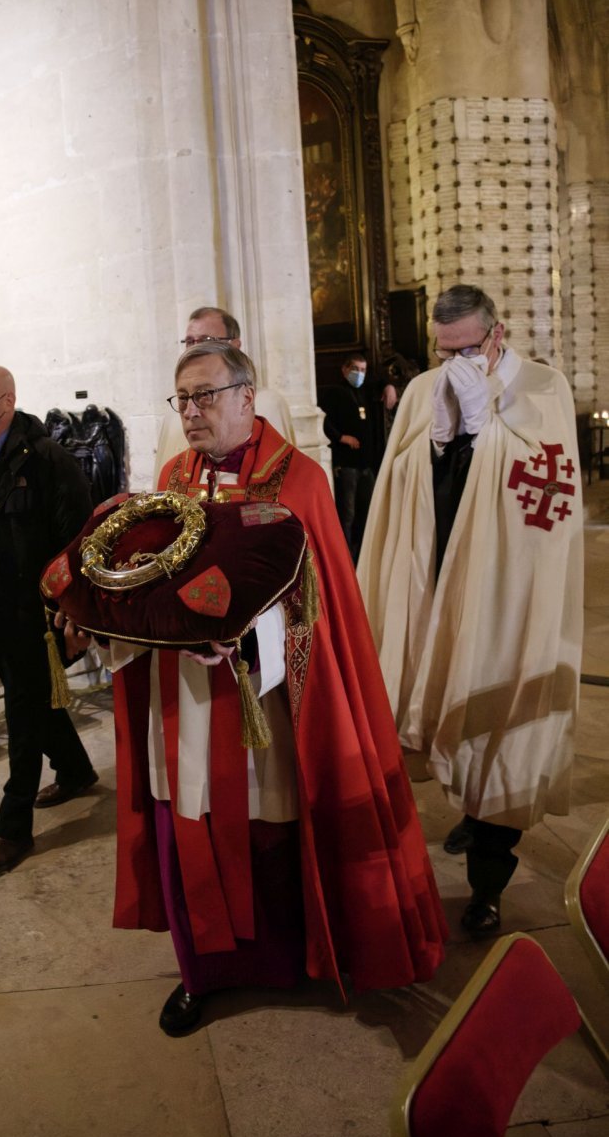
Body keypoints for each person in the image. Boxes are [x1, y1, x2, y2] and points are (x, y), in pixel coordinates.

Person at [64, 342, 446, 1035]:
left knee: (271, 822)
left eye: (206, 396)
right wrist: (107, 615)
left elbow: (318, 604)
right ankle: (201, 972)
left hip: (265, 701)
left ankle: (292, 958)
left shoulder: (298, 481)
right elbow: (148, 578)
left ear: (247, 397)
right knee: (188, 818)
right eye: (182, 399)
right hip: (182, 695)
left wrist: (249, 642)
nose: (191, 412)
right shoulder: (172, 476)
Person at [358, 285, 583, 936]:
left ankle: (488, 886)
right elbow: (395, 493)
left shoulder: (545, 387)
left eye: (470, 347)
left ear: (498, 332)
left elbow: (554, 495)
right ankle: (468, 800)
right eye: (444, 349)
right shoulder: (428, 390)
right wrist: (437, 446)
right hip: (434, 589)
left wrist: (488, 435)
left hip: (506, 593)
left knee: (501, 729)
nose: (458, 361)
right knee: (446, 717)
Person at [0, 364, 99, 874]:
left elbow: (78, 543)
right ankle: (75, 770)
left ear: (6, 401)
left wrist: (72, 613)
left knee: (22, 712)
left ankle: (13, 828)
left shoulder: (49, 460)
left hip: (32, 611)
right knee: (28, 697)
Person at [154, 306, 295, 478]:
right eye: (190, 342)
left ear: (235, 345)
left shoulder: (269, 404)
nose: (195, 349)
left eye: (207, 340)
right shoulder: (173, 413)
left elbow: (287, 475)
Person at [319, 353, 376, 561]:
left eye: (363, 370)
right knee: (347, 515)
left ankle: (362, 557)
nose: (359, 374)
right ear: (344, 370)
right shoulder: (334, 393)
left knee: (367, 512)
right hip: (347, 464)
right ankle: (346, 559)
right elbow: (324, 422)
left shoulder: (364, 393)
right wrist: (341, 437)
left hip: (365, 464)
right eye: (355, 369)